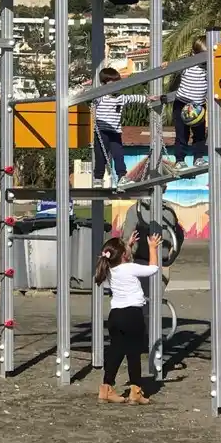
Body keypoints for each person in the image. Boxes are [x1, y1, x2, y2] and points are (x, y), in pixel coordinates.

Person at [95, 229, 162, 405]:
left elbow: (120, 258)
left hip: (115, 315)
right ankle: (135, 391)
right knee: (133, 353)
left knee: (116, 351)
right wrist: (153, 248)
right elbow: (153, 269)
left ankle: (106, 388)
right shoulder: (129, 267)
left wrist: (128, 244)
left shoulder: (109, 268)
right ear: (124, 255)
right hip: (132, 314)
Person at [92, 66, 161, 188]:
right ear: (104, 84)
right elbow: (90, 97)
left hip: (115, 132)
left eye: (117, 84)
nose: (116, 88)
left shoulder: (121, 98)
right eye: (112, 85)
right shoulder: (100, 97)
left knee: (118, 155)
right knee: (100, 156)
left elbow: (134, 98)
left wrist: (148, 98)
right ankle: (98, 178)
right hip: (101, 132)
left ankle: (122, 177)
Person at [167, 37, 208, 174]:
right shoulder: (188, 65)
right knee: (182, 133)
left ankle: (198, 158)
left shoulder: (210, 68)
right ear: (194, 54)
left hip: (199, 106)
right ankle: (180, 160)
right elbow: (174, 68)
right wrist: (167, 65)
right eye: (202, 56)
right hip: (182, 103)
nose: (204, 60)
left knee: (200, 133)